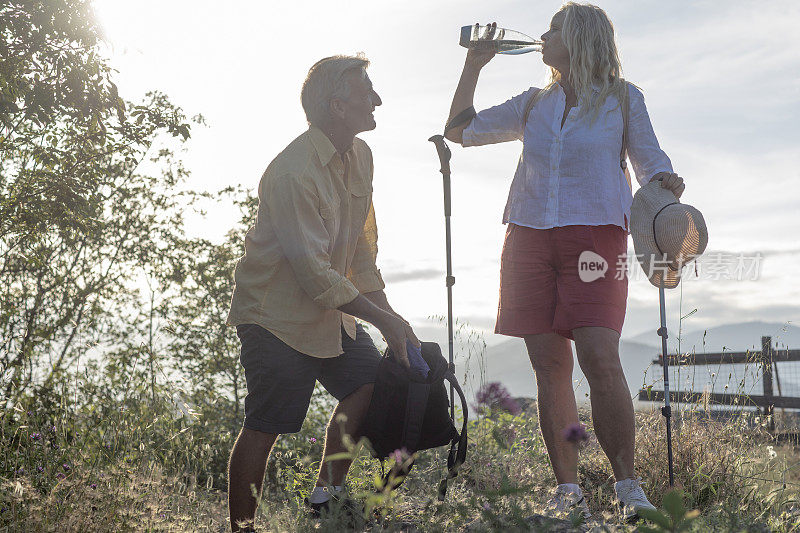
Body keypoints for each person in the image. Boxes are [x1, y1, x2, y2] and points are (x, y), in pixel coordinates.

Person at [444, 3, 685, 522]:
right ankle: (568, 491)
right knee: (549, 366)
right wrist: (474, 66)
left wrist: (669, 190)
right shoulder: (534, 103)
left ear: (579, 39)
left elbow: (651, 164)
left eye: (553, 29)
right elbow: (460, 131)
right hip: (528, 237)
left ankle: (627, 486)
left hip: (595, 237)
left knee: (601, 357)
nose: (543, 37)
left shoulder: (623, 98)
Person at [225, 54, 419, 532]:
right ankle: (241, 529)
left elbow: (361, 251)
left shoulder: (362, 157)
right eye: (366, 91)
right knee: (266, 424)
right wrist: (384, 320)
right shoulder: (293, 173)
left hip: (333, 312)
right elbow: (314, 275)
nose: (376, 99)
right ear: (337, 105)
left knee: (370, 385)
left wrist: (392, 316)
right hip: (275, 317)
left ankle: (324, 498)